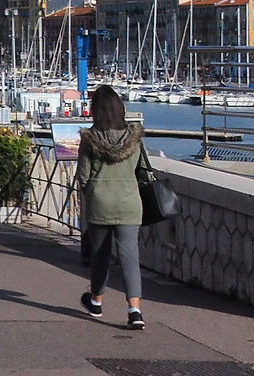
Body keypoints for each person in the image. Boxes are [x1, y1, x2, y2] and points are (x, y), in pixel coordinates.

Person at [76, 84, 155, 330]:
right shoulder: (135, 139)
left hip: (100, 203)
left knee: (100, 255)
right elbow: (144, 170)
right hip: (130, 204)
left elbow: (84, 176)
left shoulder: (90, 140)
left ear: (95, 110)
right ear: (120, 109)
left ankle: (96, 302)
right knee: (130, 257)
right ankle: (135, 310)